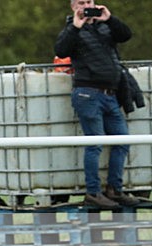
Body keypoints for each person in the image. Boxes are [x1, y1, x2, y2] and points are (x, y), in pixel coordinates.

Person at [55, 1, 140, 209]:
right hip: (87, 93)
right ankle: (93, 192)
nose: (86, 6)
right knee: (94, 144)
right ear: (73, 5)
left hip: (111, 94)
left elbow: (126, 35)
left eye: (89, 1)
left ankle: (114, 189)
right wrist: (76, 26)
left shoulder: (105, 26)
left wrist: (109, 18)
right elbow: (61, 49)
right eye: (81, 2)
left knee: (122, 141)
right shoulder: (71, 30)